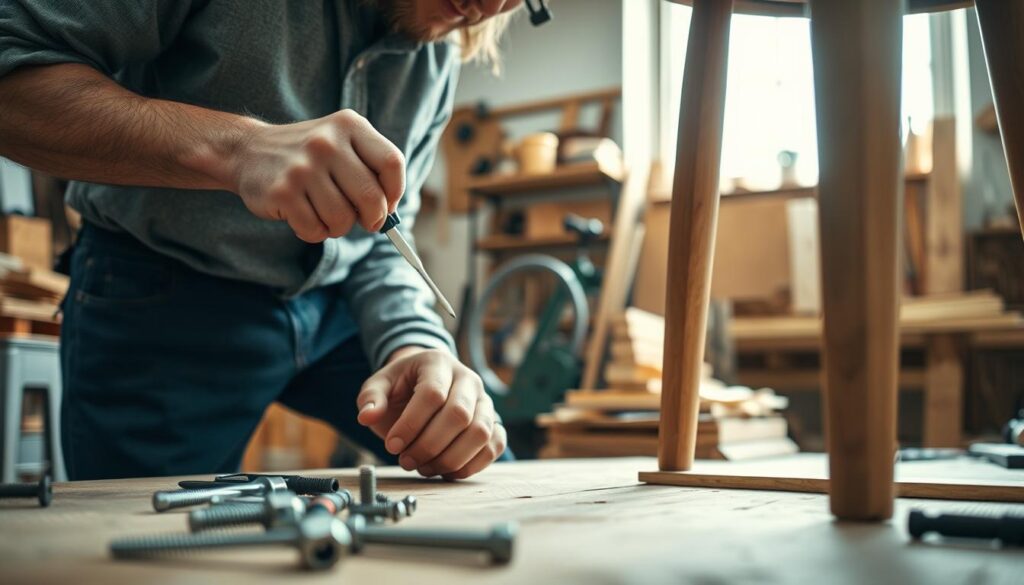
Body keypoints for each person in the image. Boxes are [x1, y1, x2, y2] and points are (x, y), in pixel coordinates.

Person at [0, 0, 523, 480]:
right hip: (159, 294)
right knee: (155, 549)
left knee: (472, 460)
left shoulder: (439, 51)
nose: (491, 6)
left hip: (335, 307)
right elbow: (13, 67)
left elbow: (382, 233)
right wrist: (237, 150)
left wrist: (415, 343)